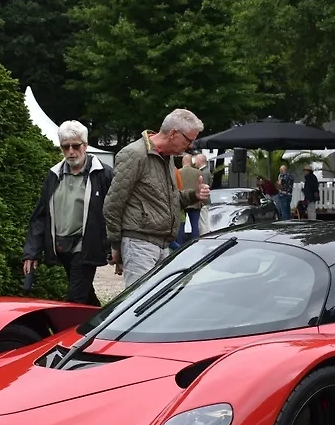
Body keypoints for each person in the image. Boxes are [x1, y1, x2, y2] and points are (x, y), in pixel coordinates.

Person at [103, 108, 210, 285]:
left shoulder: (166, 157)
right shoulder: (134, 154)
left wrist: (194, 195)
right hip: (140, 243)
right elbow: (112, 204)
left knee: (156, 304)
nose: (190, 146)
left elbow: (169, 200)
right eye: (189, 140)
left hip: (162, 244)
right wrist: (116, 245)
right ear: (174, 134)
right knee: (139, 303)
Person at [23, 120, 113, 306]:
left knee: (75, 297)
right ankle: (100, 323)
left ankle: (75, 333)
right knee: (85, 294)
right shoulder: (54, 175)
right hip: (62, 246)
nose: (71, 151)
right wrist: (32, 252)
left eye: (75, 146)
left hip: (86, 245)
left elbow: (116, 211)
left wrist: (116, 247)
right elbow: (41, 215)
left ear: (85, 146)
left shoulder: (103, 174)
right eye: (65, 147)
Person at [177, 153, 204, 244]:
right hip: (195, 203)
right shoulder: (198, 172)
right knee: (195, 225)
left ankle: (180, 245)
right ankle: (195, 243)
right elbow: (202, 186)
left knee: (181, 225)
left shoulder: (178, 172)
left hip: (182, 203)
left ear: (182, 162)